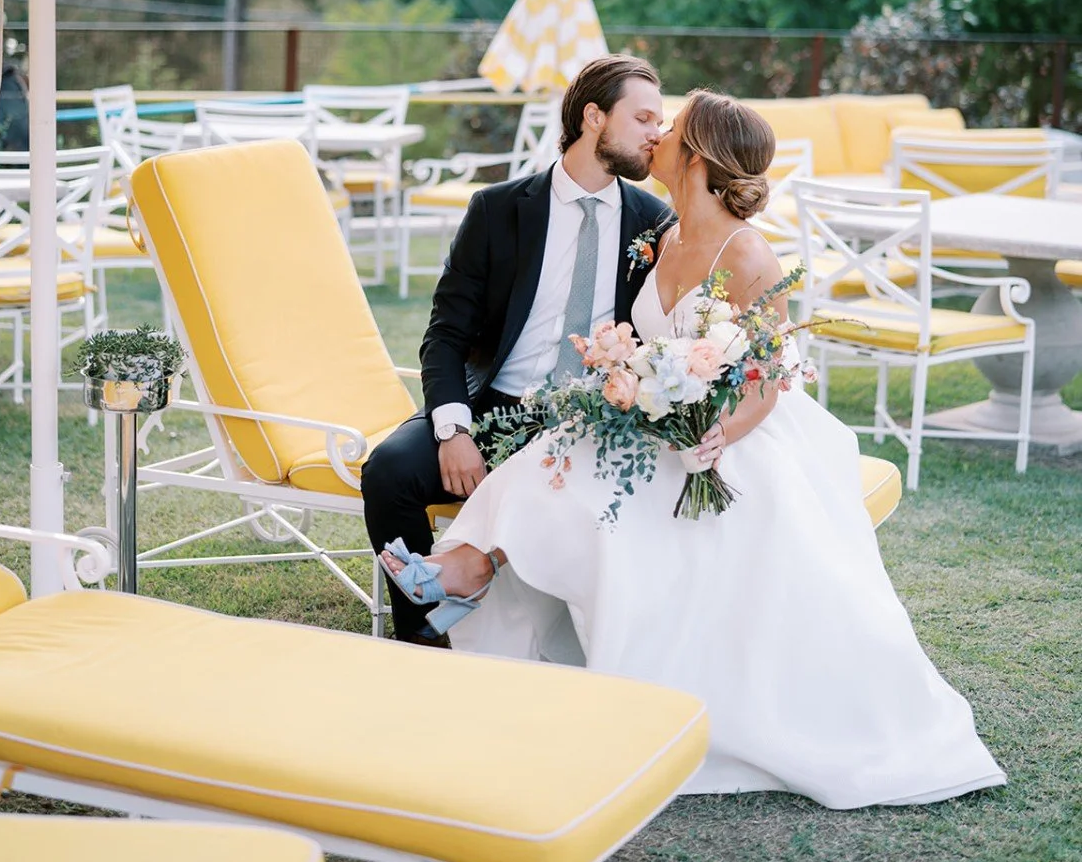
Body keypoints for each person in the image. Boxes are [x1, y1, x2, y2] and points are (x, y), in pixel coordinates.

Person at [381, 90, 1006, 808]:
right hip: (657, 416)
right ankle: (467, 565)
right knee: (562, 446)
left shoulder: (748, 255)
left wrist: (716, 434)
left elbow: (769, 381)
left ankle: (467, 569)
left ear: (698, 156)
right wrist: (626, 383)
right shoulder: (664, 234)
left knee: (583, 463)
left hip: (735, 431)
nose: (655, 139)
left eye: (668, 131)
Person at [360, 54, 671, 644]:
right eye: (645, 118)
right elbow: (446, 332)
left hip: (587, 424)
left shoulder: (655, 223)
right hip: (493, 406)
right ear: (594, 117)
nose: (658, 133)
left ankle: (479, 582)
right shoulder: (498, 209)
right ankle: (423, 641)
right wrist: (453, 431)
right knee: (391, 470)